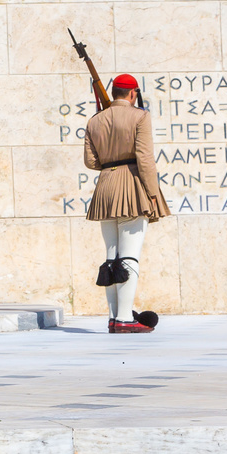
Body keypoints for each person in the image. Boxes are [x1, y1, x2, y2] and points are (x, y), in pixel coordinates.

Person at [83, 73, 169, 334]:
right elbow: (144, 158)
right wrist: (153, 193)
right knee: (129, 255)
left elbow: (91, 162)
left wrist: (110, 164)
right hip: (131, 185)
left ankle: (113, 317)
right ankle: (124, 318)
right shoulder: (140, 116)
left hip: (105, 187)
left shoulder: (94, 120)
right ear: (133, 93)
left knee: (111, 257)